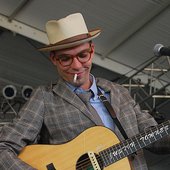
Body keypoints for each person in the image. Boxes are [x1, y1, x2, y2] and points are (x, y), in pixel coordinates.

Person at [0, 13, 169, 170]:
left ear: (92, 51)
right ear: (53, 58)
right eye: (65, 58)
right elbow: (3, 148)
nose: (76, 66)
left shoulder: (119, 93)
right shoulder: (44, 97)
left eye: (82, 55)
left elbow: (156, 139)